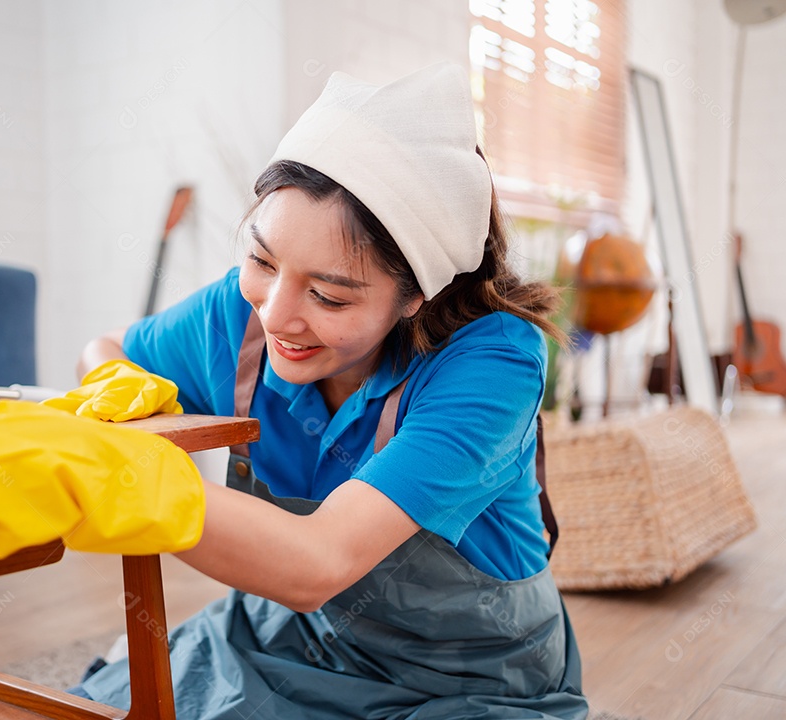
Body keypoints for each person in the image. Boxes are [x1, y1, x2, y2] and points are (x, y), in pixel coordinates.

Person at [69, 63, 588, 719]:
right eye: (261, 260)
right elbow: (108, 348)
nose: (276, 314)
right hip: (286, 641)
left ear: (415, 295)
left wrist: (107, 478)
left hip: (466, 680)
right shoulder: (238, 316)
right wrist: (115, 389)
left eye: (329, 294)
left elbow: (316, 564)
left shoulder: (493, 362)